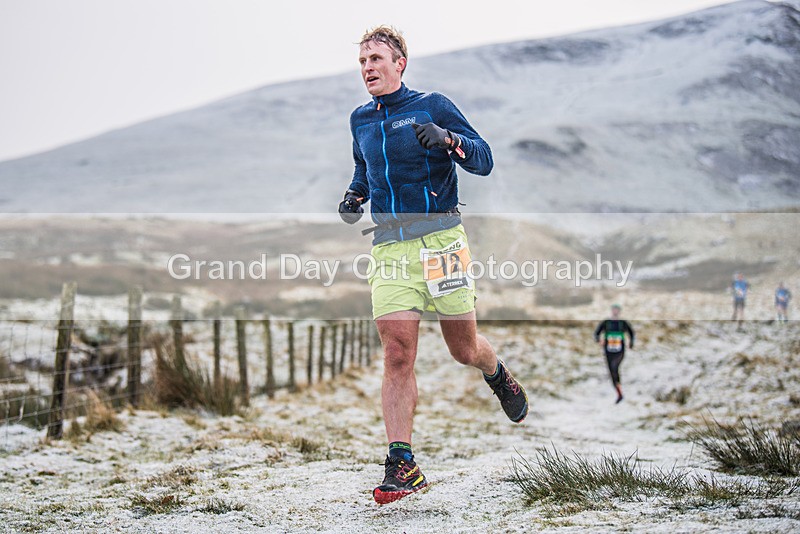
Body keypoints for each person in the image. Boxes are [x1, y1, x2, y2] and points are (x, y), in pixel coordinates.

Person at [338, 26, 528, 505]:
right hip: (389, 248)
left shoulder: (433, 105)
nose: (368, 68)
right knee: (398, 354)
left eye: (377, 59)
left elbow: (483, 159)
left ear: (400, 63)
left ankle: (496, 371)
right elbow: (364, 167)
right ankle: (402, 464)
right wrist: (355, 194)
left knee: (462, 348)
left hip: (441, 241)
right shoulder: (360, 119)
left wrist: (449, 140)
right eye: (362, 61)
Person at [594, 304, 634, 404]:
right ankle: (619, 393)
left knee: (615, 366)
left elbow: (631, 333)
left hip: (620, 350)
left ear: (619, 311)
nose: (615, 312)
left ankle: (619, 391)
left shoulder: (623, 323)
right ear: (612, 311)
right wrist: (599, 340)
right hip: (608, 350)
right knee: (612, 371)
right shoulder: (606, 322)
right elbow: (596, 333)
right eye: (614, 310)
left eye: (617, 310)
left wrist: (631, 342)